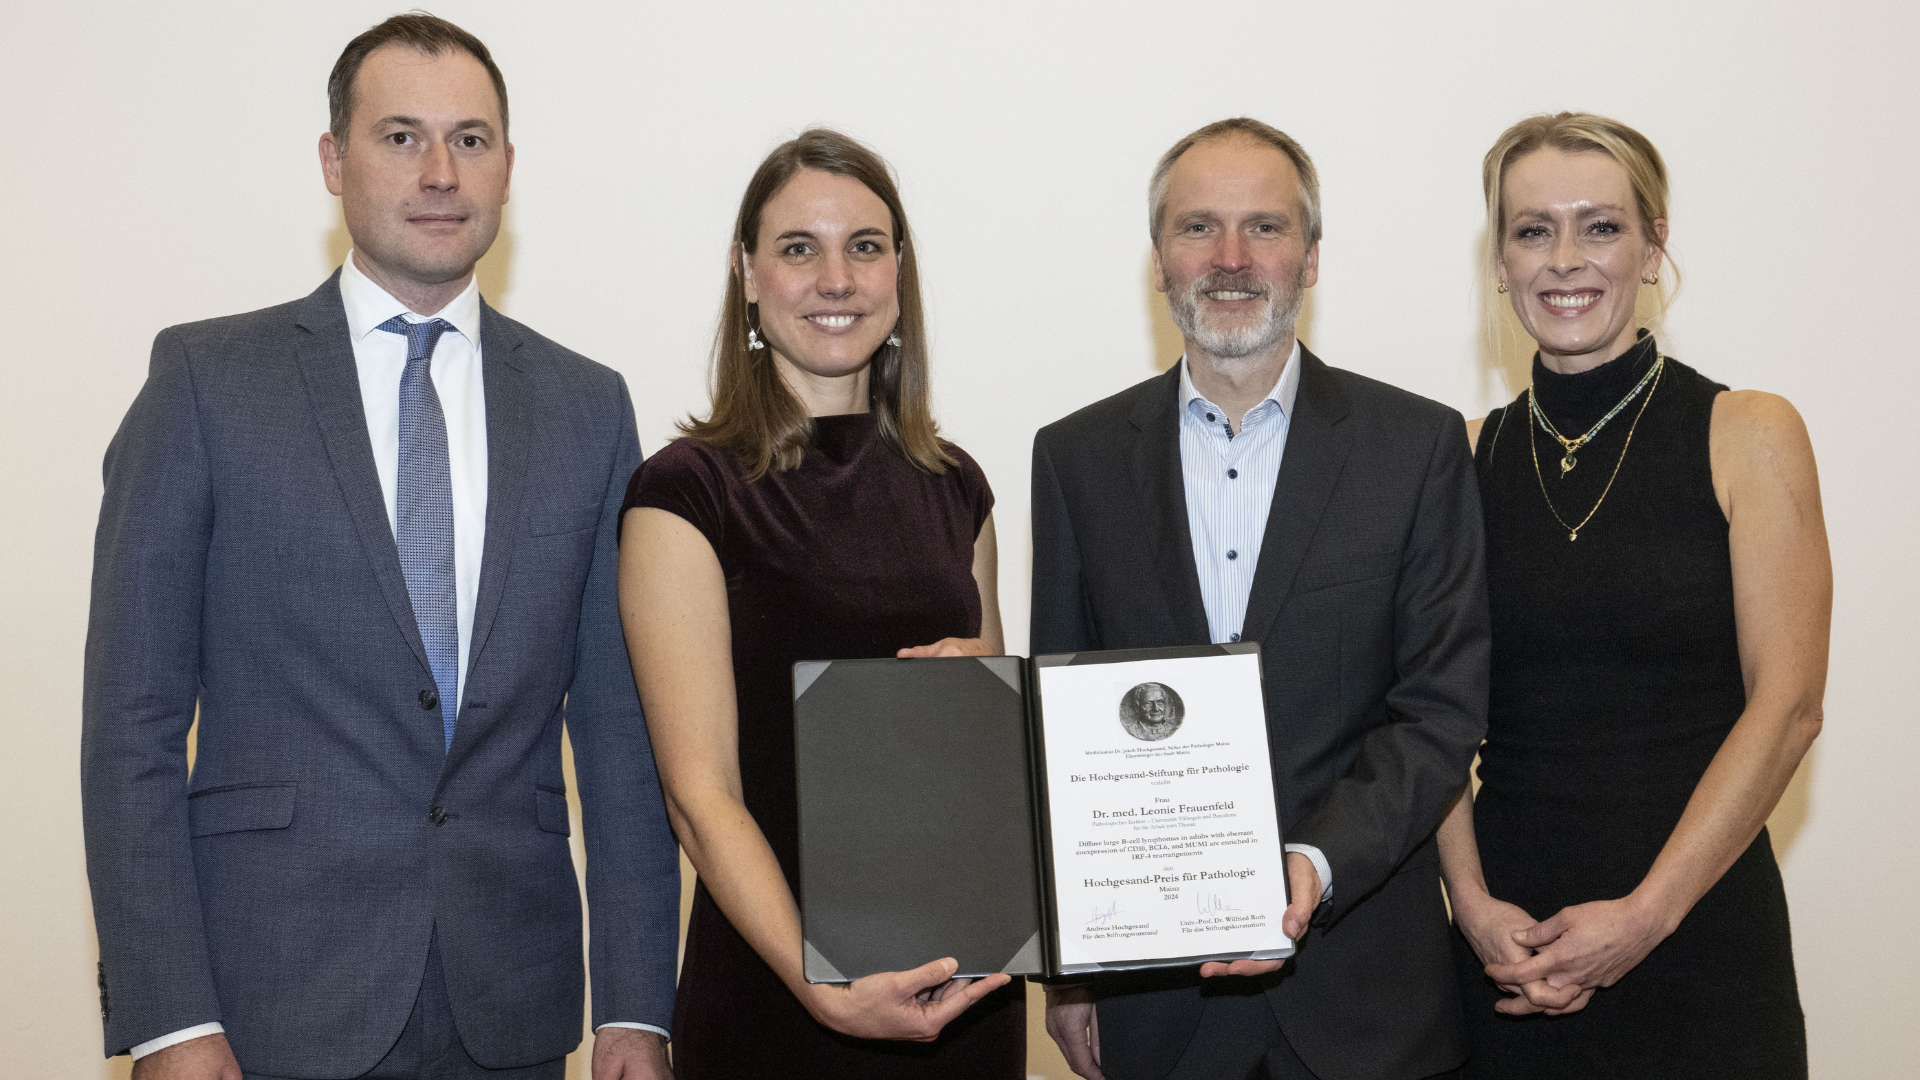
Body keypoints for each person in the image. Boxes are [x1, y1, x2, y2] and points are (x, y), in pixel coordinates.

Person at [80, 15, 676, 1080]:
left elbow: (622, 738)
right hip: (265, 1005)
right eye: (401, 137)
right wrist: (169, 1019)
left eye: (470, 140)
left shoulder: (589, 408)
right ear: (333, 160)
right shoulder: (206, 384)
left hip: (514, 1010)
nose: (441, 172)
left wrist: (637, 1007)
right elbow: (132, 726)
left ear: (508, 167)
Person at [1034, 118, 1489, 1080]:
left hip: (1370, 1008)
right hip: (1159, 1008)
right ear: (1160, 259)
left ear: (1311, 257)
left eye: (1265, 228)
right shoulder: (1075, 460)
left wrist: (1315, 863)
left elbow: (1441, 710)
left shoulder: (1417, 448)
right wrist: (1069, 976)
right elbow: (1062, 731)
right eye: (1199, 227)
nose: (1231, 259)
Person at [617, 128, 1022, 1079]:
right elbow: (701, 798)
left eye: (865, 246)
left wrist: (999, 698)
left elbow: (990, 780)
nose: (836, 278)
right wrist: (822, 985)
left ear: (898, 273)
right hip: (777, 1001)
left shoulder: (958, 487)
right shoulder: (685, 494)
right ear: (748, 275)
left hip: (963, 996)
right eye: (799, 248)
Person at [1436, 111, 1827, 1078]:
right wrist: (1471, 906)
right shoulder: (1458, 459)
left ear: (1653, 247)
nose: (1565, 259)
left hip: (1700, 940)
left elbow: (1788, 706)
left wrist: (1647, 916)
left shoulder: (1748, 433)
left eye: (1601, 226)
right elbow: (1425, 712)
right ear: (1500, 263)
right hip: (1509, 955)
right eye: (1533, 230)